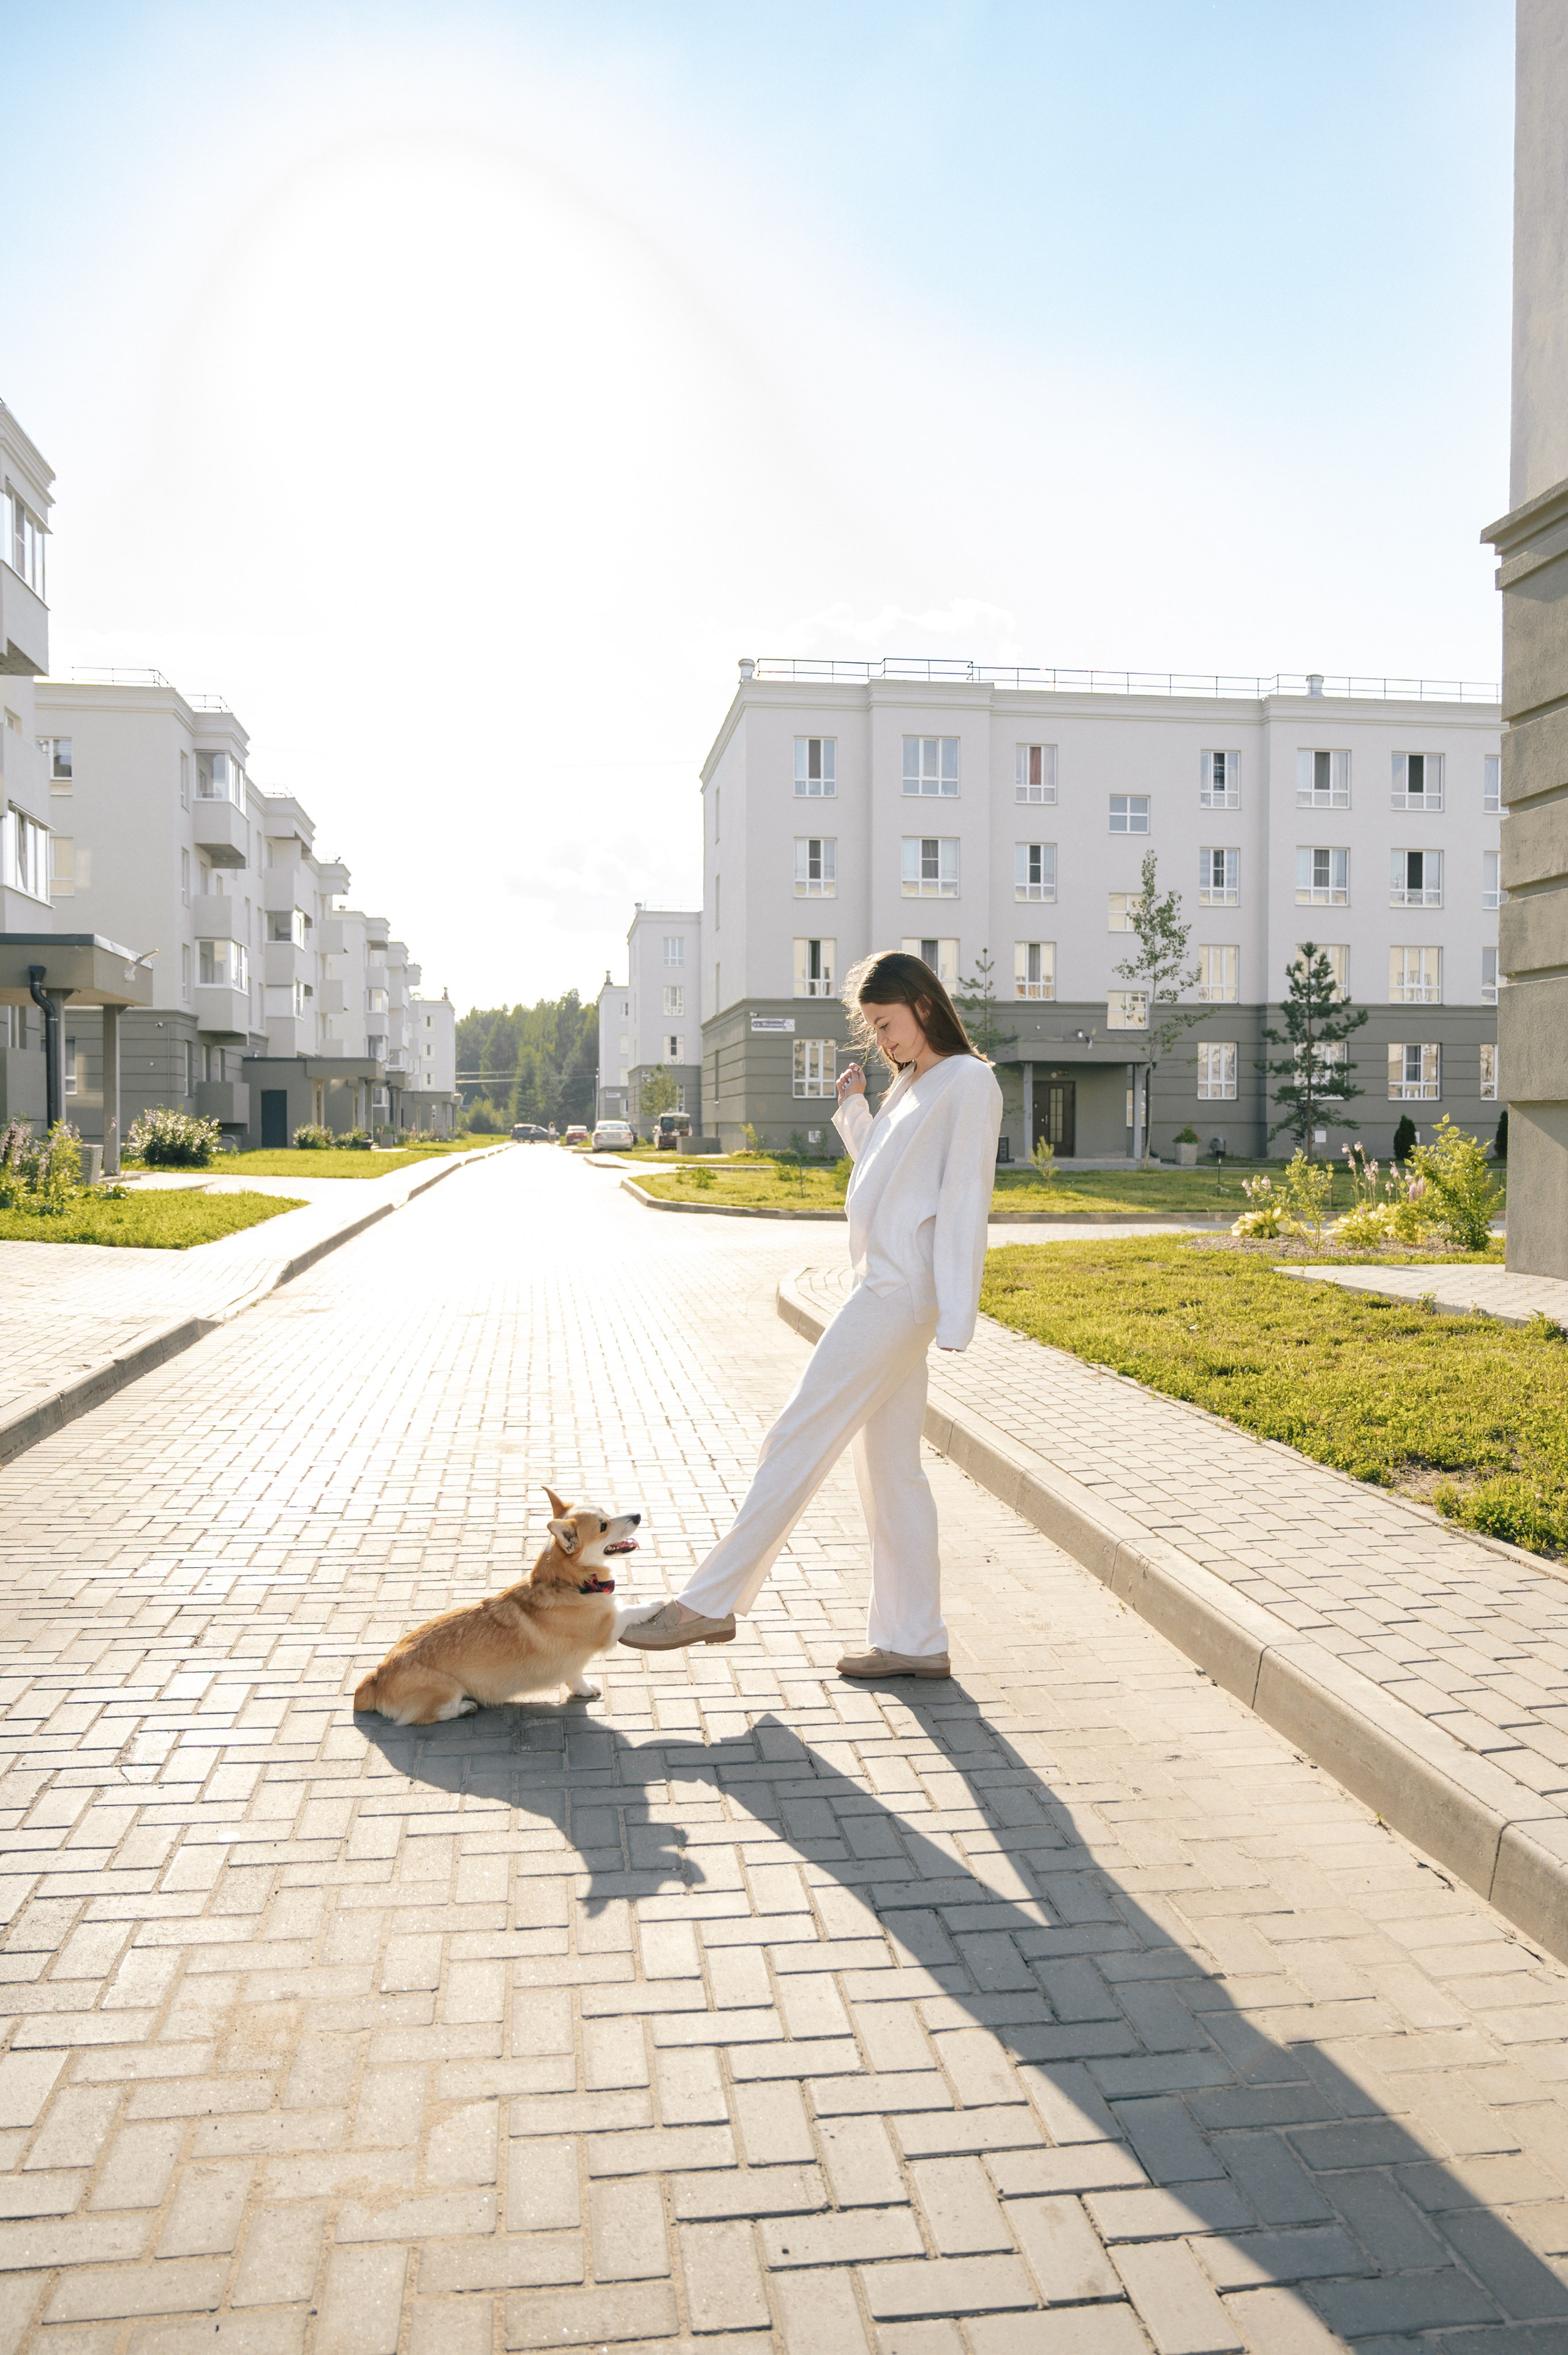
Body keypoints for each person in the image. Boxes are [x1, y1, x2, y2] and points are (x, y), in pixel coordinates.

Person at [622, 950, 1002, 1678]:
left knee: (794, 1435)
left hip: (897, 1296)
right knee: (892, 1475)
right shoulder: (913, 1085)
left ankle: (709, 1600)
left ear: (924, 1006)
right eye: (874, 1029)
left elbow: (962, 1202)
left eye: (887, 1024)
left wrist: (957, 1314)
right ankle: (914, 1640)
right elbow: (885, 1178)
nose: (883, 1041)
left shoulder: (968, 1082)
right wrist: (855, 1108)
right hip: (885, 1286)